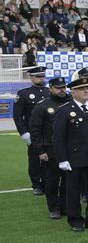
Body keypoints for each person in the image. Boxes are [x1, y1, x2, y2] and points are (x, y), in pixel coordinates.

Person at [52, 77, 88, 232]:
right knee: (74, 191)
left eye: (87, 88)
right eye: (81, 89)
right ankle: (75, 220)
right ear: (73, 92)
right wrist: (62, 159)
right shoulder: (64, 110)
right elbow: (58, 137)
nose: (86, 91)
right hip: (75, 158)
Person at [28, 76, 70, 219]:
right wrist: (40, 150)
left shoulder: (71, 102)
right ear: (50, 89)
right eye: (58, 88)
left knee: (68, 180)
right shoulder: (43, 106)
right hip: (51, 149)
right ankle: (54, 208)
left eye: (63, 87)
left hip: (70, 148)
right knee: (52, 180)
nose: (62, 90)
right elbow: (35, 130)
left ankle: (65, 206)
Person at [15, 65, 50, 196]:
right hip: (33, 133)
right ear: (31, 77)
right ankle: (36, 184)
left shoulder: (49, 91)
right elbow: (18, 116)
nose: (41, 79)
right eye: (38, 76)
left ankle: (47, 182)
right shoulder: (23, 93)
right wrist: (24, 133)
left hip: (48, 133)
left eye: (43, 76)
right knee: (35, 160)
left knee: (49, 159)